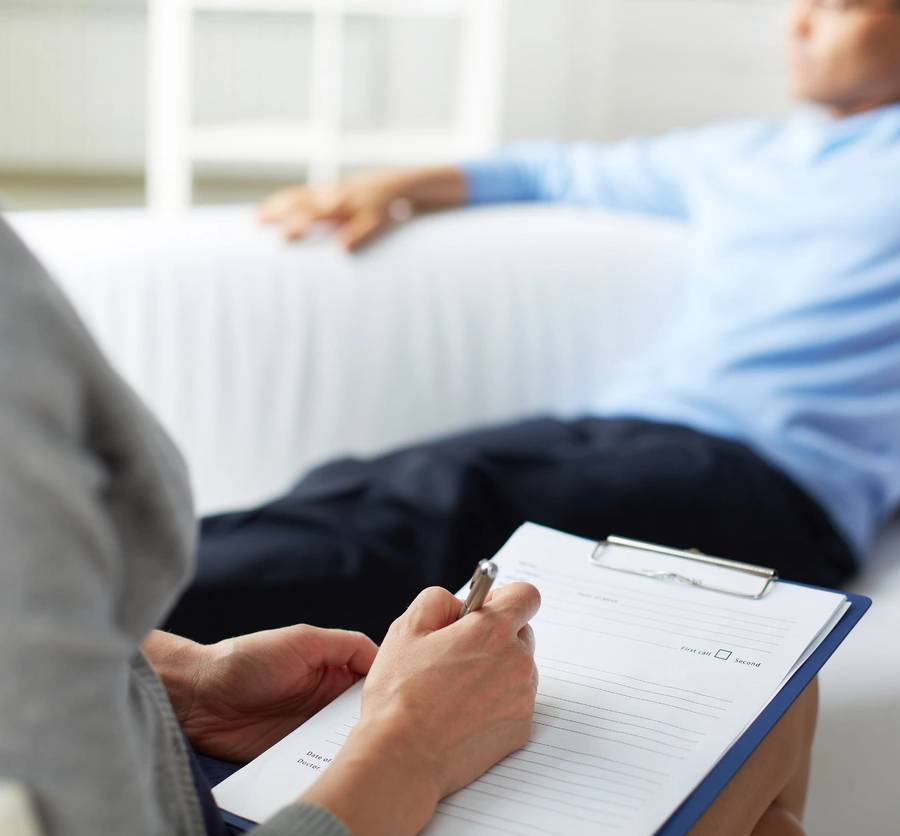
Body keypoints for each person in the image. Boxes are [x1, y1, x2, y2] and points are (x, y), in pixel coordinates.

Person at [0, 214, 819, 836]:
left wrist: (186, 683)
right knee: (765, 725)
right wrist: (411, 746)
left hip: (169, 753)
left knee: (779, 700)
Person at [166, 0, 900, 645]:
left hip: (776, 488)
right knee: (362, 484)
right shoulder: (747, 156)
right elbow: (554, 172)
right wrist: (395, 184)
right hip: (630, 431)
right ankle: (123, 597)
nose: (797, 24)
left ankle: (105, 605)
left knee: (441, 507)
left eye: (838, 4)